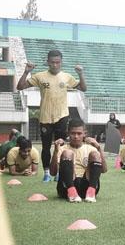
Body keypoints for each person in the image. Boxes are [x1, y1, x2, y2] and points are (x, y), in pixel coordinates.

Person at [17, 49, 87, 182]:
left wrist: (81, 74)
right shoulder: (40, 76)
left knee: (60, 145)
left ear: (61, 62)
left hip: (62, 116)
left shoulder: (67, 77)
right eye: (52, 62)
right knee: (46, 146)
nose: (55, 65)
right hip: (45, 116)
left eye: (58, 62)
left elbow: (83, 88)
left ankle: (59, 172)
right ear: (47, 62)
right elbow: (20, 86)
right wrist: (26, 71)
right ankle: (47, 173)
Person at [50, 119, 106, 203]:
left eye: (79, 133)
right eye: (73, 133)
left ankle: (91, 192)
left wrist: (99, 148)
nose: (76, 136)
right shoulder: (62, 149)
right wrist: (56, 151)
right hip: (66, 187)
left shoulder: (90, 148)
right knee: (67, 153)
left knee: (95, 154)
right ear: (68, 133)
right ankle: (71, 192)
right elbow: (53, 173)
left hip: (87, 185)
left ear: (85, 134)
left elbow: (104, 170)